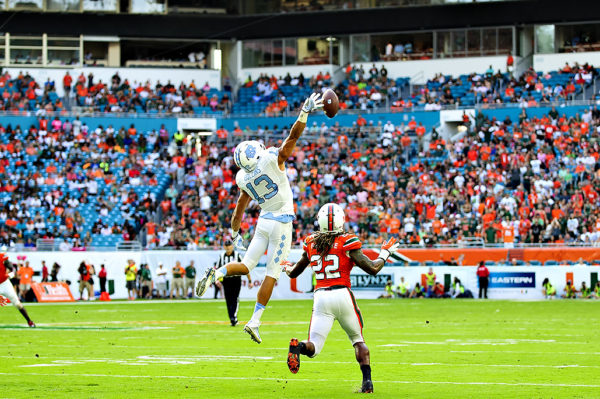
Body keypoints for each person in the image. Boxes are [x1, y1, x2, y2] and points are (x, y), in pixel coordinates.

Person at [196, 92, 324, 344]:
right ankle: (254, 321)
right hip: (282, 222)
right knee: (272, 274)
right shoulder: (270, 159)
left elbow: (238, 210)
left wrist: (234, 234)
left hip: (263, 222)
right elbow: (293, 137)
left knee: (245, 266)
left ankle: (217, 272)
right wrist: (304, 112)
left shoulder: (243, 178)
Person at [283, 203, 399, 393]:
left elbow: (294, 272)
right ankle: (367, 383)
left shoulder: (311, 241)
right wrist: (385, 253)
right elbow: (372, 268)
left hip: (321, 298)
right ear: (341, 220)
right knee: (357, 339)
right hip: (342, 294)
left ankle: (299, 347)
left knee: (314, 346)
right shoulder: (347, 241)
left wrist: (286, 267)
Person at [216, 240, 251, 326]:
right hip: (226, 280)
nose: (228, 247)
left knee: (235, 298)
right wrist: (217, 279)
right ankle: (232, 317)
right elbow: (217, 269)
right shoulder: (221, 256)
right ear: (224, 247)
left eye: (229, 245)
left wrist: (250, 280)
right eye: (226, 245)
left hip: (236, 279)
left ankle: (233, 317)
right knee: (228, 299)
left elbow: (245, 268)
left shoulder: (237, 256)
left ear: (232, 246)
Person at [0, 254, 35, 327]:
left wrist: (10, 273)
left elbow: (11, 268)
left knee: (17, 304)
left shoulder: (2, 257)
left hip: (5, 284)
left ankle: (29, 321)